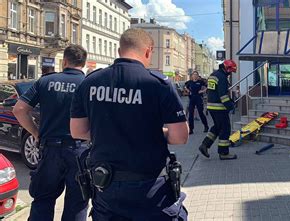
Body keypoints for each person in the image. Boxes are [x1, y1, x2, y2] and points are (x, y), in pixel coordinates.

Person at [70, 28, 189, 220]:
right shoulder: (159, 84)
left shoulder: (90, 82)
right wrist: (153, 132)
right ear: (148, 51)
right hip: (151, 188)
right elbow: (180, 136)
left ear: (119, 51)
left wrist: (109, 132)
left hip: (106, 186)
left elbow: (77, 131)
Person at [12, 45, 88, 221]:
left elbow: (19, 109)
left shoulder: (46, 81)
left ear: (64, 61)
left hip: (50, 149)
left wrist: (36, 133)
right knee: (77, 202)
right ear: (83, 63)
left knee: (43, 200)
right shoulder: (89, 84)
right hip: (80, 151)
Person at [198, 60, 238, 160]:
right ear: (227, 68)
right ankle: (224, 153)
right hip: (219, 107)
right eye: (230, 71)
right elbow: (223, 95)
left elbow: (213, 91)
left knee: (217, 127)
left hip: (211, 106)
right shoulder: (222, 77)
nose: (230, 74)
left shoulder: (213, 75)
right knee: (225, 128)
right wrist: (230, 106)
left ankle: (204, 145)